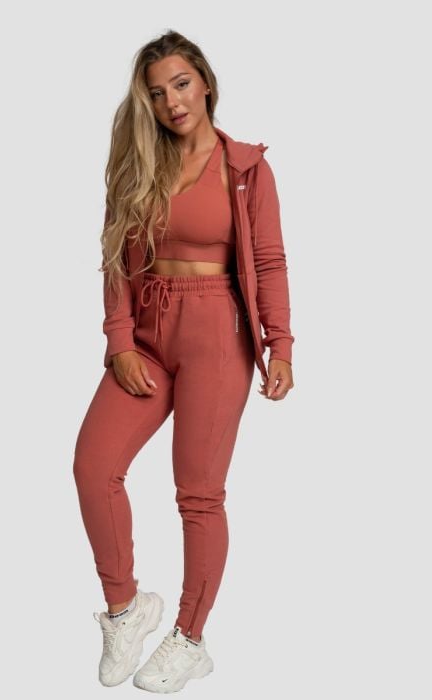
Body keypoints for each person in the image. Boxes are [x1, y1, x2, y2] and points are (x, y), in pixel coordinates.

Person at [73, 29, 295, 692]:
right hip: (147, 333)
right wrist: (119, 342)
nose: (172, 101)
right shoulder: (136, 161)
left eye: (181, 84)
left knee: (198, 495)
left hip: (216, 333)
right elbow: (115, 256)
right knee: (94, 467)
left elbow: (268, 261)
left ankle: (190, 639)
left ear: (205, 83)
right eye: (157, 92)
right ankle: (125, 608)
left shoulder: (244, 169)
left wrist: (280, 343)